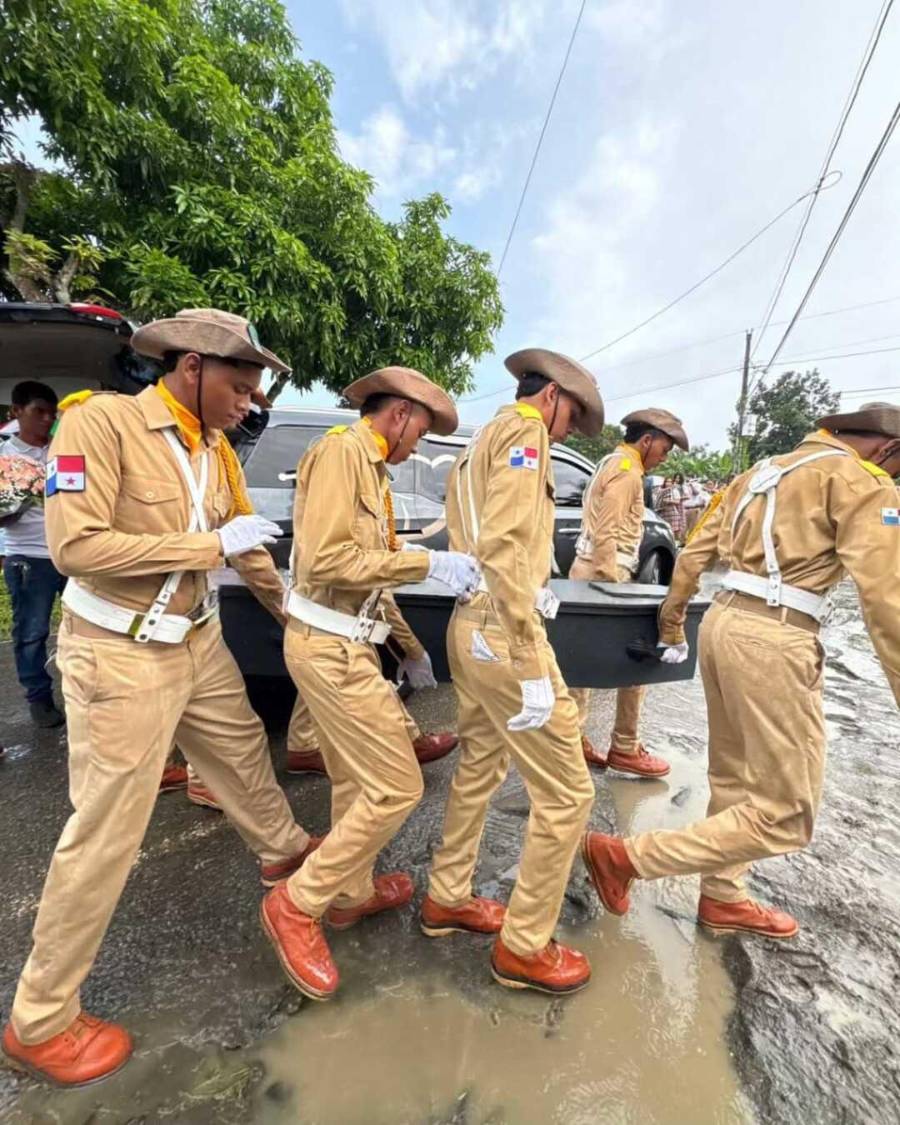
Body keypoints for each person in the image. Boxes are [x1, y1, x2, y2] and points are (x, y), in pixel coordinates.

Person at [2, 309, 323, 1088]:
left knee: (245, 750)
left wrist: (299, 623)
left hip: (197, 639)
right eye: (240, 386)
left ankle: (289, 863)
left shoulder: (215, 449)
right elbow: (78, 546)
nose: (249, 401)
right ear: (191, 368)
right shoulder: (101, 424)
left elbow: (245, 546)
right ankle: (40, 1019)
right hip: (117, 650)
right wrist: (208, 546)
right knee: (108, 824)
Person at [583, 402, 900, 939]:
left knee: (731, 781)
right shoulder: (862, 483)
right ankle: (628, 857)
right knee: (786, 813)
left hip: (724, 624)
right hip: (777, 638)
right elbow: (887, 601)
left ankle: (724, 895)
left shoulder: (757, 474)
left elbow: (692, 556)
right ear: (888, 449)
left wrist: (673, 622)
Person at [260, 366, 480, 1002]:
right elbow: (330, 559)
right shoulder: (341, 454)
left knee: (356, 778)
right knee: (397, 785)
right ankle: (298, 903)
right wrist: (428, 561)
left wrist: (407, 648)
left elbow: (370, 576)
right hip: (328, 646)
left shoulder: (370, 469)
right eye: (421, 431)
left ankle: (350, 894)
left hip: (346, 642)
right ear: (401, 414)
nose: (417, 446)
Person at [422, 348, 605, 996]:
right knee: (567, 794)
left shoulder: (478, 441)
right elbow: (503, 544)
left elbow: (482, 540)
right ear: (551, 396)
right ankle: (524, 946)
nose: (563, 432)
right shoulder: (527, 432)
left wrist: (536, 586)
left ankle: (447, 894)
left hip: (469, 625)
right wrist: (530, 655)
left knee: (480, 764)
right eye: (570, 418)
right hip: (503, 634)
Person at [569, 409, 689, 776]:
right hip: (608, 572)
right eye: (665, 449)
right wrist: (610, 592)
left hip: (586, 570)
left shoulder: (611, 461)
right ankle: (624, 746)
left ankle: (573, 741)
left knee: (579, 667)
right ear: (647, 440)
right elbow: (607, 533)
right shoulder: (628, 472)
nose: (664, 458)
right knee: (639, 662)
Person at [1, 381, 67, 728]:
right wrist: (16, 501)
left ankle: (80, 691)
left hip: (71, 551)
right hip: (28, 555)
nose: (46, 419)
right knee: (32, 631)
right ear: (16, 411)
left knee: (83, 626)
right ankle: (39, 699)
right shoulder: (4, 457)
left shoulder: (64, 449)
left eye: (51, 413)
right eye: (38, 412)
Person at [655, 471, 687, 542]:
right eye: (667, 482)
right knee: (664, 532)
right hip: (663, 513)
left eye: (670, 482)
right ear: (664, 483)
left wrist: (669, 501)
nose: (668, 483)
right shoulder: (660, 491)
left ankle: (675, 547)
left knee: (674, 533)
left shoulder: (674, 490)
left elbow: (677, 501)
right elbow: (656, 500)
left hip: (673, 514)